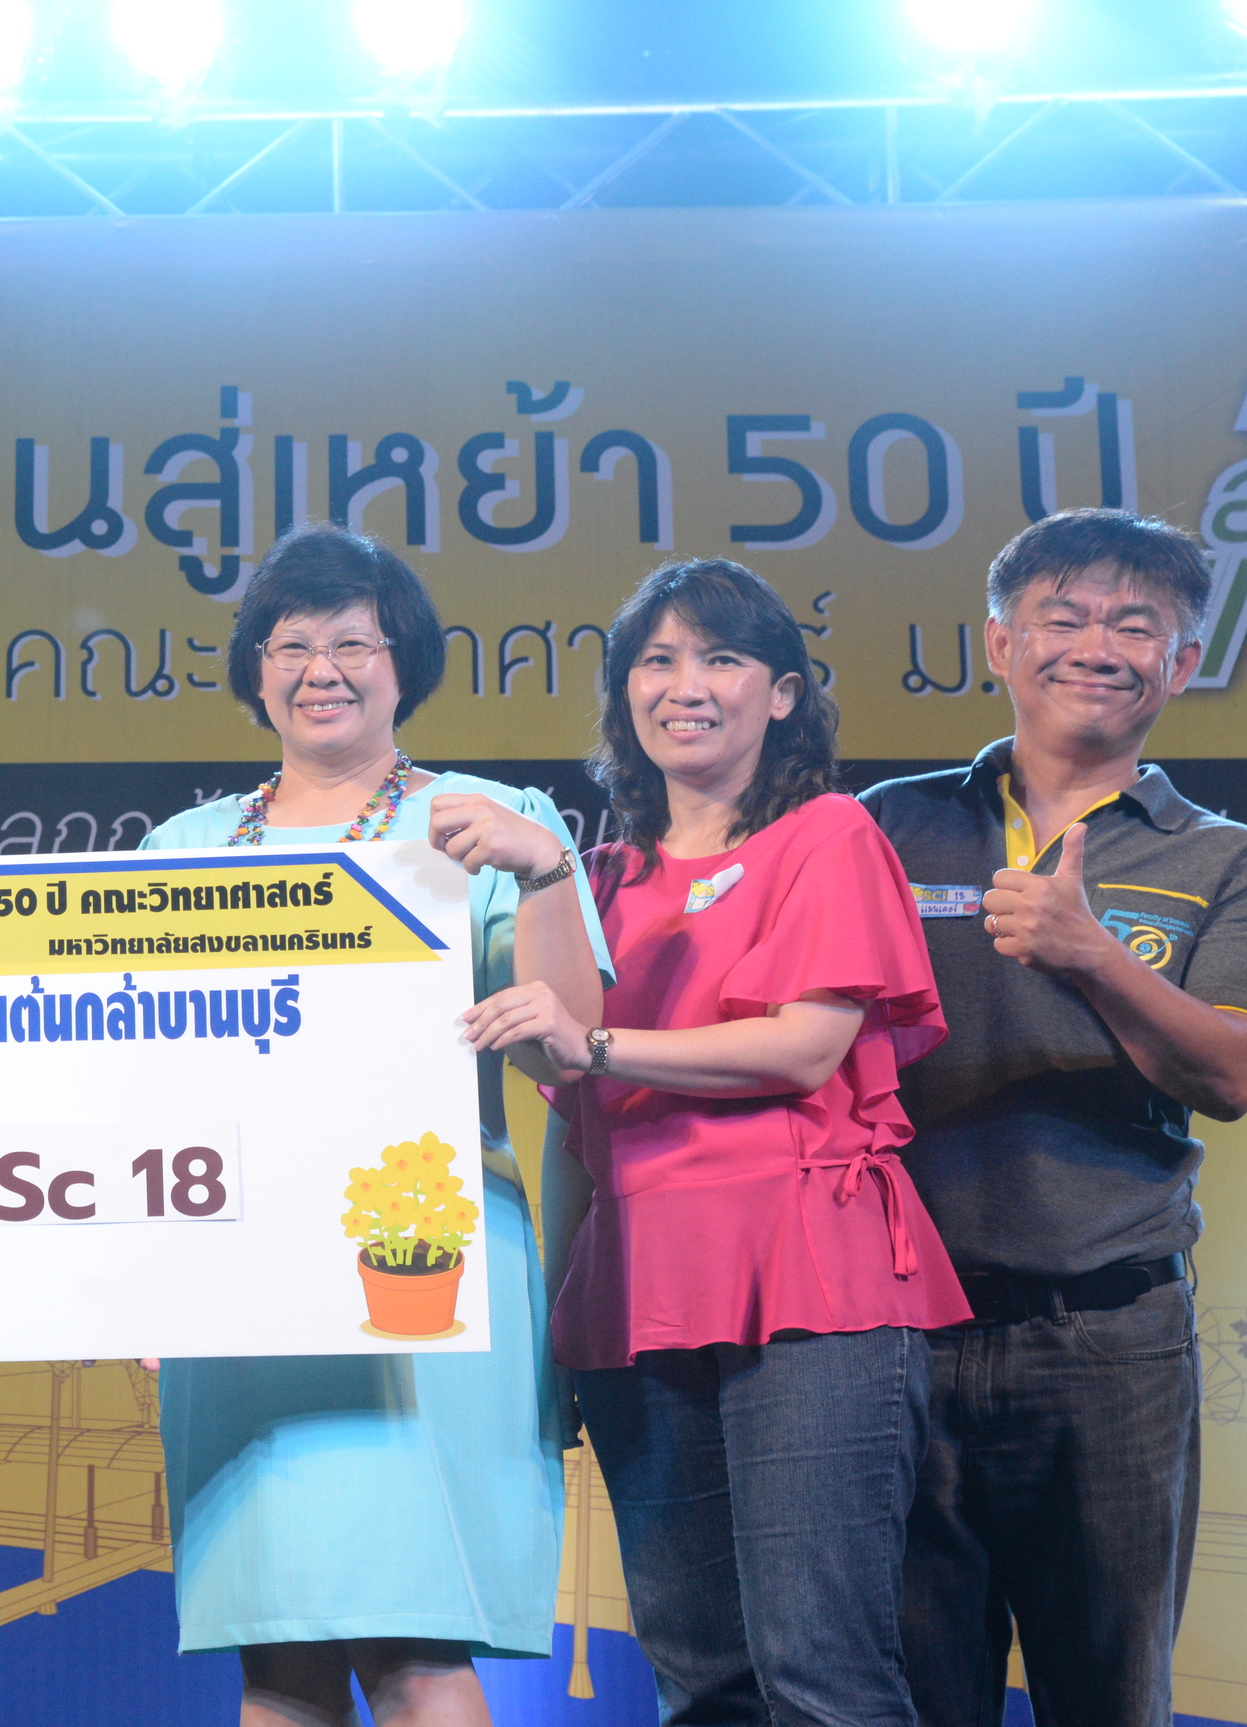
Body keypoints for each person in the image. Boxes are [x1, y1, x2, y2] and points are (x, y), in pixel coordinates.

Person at [462, 557, 970, 1727]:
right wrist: (555, 1323)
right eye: (656, 660)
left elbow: (803, 1047)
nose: (683, 686)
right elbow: (574, 1124)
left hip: (811, 1288)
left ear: (782, 695)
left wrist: (597, 1045)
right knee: (697, 1682)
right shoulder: (592, 880)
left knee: (822, 1674)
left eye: (720, 658)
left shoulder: (827, 834)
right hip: (634, 1296)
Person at [138, 524, 610, 1727]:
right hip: (239, 1274)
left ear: (404, 665)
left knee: (416, 1645)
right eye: (289, 644)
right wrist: (146, 1273)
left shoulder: (489, 823)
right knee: (276, 1653)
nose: (321, 670)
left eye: (353, 642)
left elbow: (573, 1044)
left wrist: (544, 874)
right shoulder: (181, 851)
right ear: (254, 672)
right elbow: (144, 1087)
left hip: (422, 1271)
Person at [861, 511, 1247, 1727]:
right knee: (907, 1699)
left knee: (1108, 1698)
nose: (1096, 647)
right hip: (899, 1333)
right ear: (1000, 644)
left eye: (1134, 626)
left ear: (1181, 663)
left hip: (1109, 1340)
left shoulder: (1226, 859)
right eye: (1063, 618)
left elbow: (1233, 1076)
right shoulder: (886, 824)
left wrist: (1090, 953)